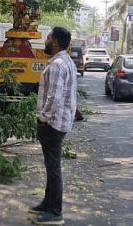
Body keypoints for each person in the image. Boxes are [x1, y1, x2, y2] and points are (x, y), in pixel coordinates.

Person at [29, 26, 77, 225]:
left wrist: (43, 117)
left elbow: (54, 98)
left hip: (53, 123)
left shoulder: (57, 64)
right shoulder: (67, 61)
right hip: (59, 121)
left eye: (48, 38)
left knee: (54, 167)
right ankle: (48, 203)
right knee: (50, 165)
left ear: (55, 41)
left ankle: (55, 212)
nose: (45, 41)